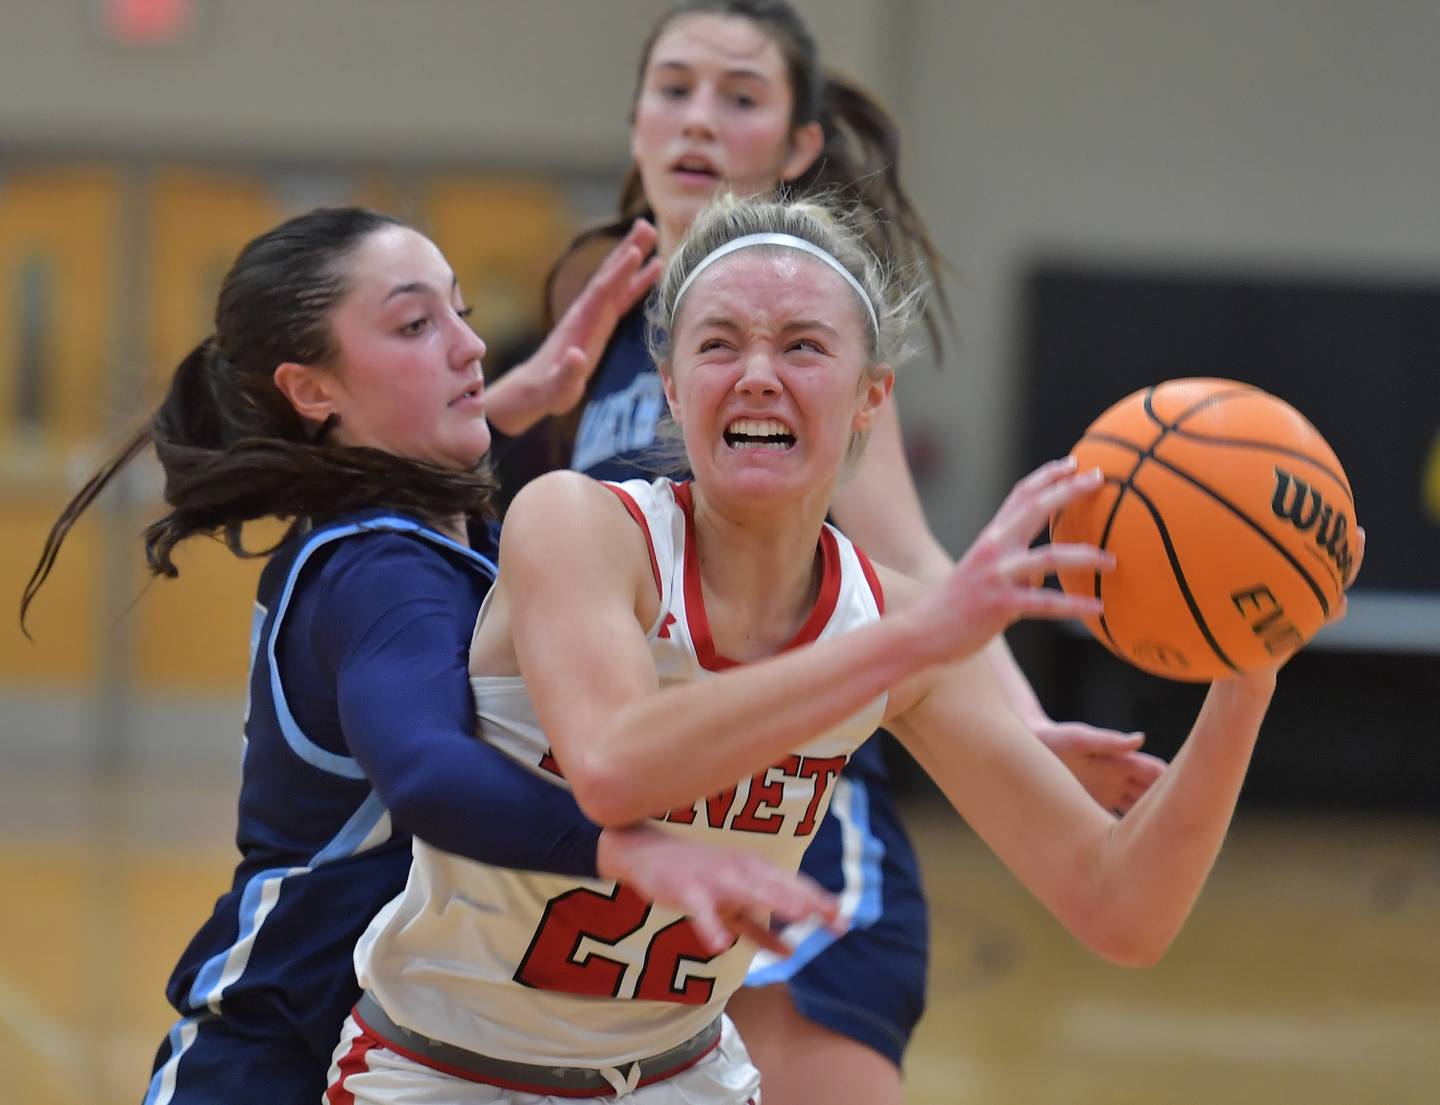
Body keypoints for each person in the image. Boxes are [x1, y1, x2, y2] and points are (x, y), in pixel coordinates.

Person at [327, 193, 1342, 1105]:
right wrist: (912, 640)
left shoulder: (896, 628)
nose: (759, 373)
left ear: (869, 398)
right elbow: (615, 764)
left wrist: (1250, 672)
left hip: (678, 1077)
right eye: (719, 344)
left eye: (805, 346)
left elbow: (1124, 911)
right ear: (674, 390)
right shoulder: (581, 526)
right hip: (443, 1072)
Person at [482, 3, 1165, 1099]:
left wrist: (1025, 736)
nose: (699, 118)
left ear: (799, 147)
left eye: (740, 97)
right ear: (636, 125)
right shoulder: (592, 331)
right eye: (675, 88)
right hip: (612, 814)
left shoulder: (817, 351)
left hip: (788, 802)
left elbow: (914, 569)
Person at [18, 206, 841, 1105]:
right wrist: (628, 850)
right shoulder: (382, 569)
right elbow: (428, 770)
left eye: (462, 312)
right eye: (416, 325)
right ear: (312, 389)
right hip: (273, 1060)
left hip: (396, 1050)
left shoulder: (447, 535)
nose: (468, 348)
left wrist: (520, 402)